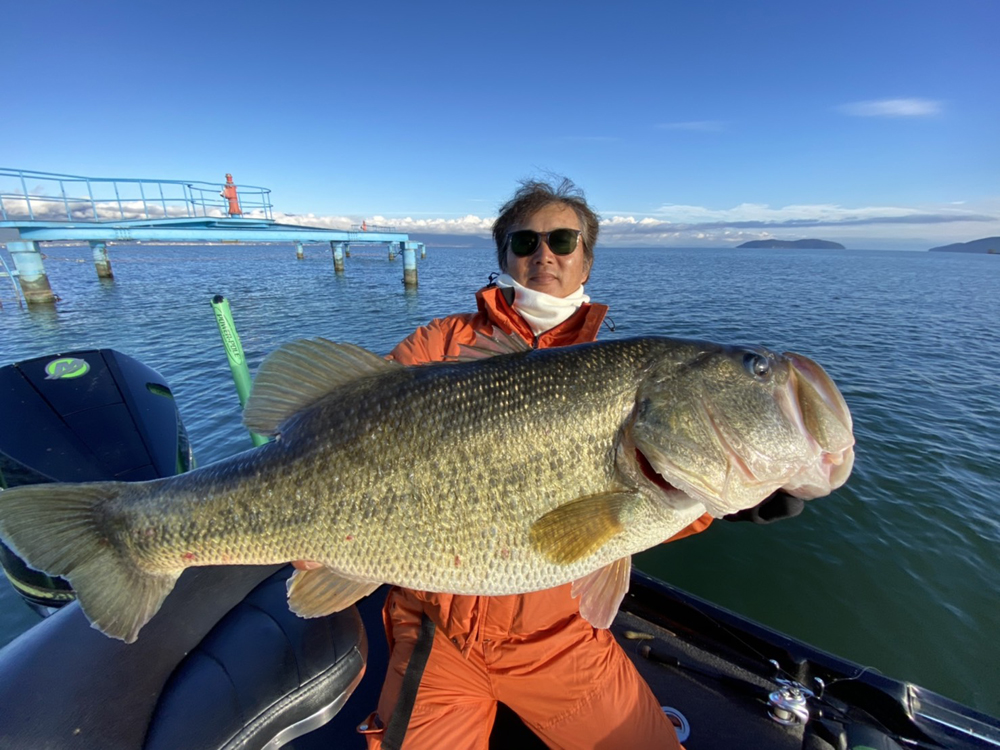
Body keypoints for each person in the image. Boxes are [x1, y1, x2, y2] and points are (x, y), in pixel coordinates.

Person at [334, 177, 714, 749]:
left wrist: (729, 500)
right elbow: (355, 424)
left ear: (586, 260)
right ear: (504, 257)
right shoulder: (442, 343)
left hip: (558, 639)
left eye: (562, 241)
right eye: (524, 241)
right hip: (438, 634)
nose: (544, 255)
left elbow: (640, 506)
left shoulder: (619, 373)